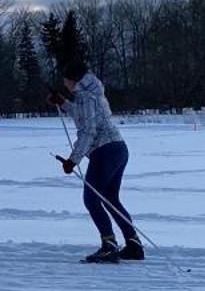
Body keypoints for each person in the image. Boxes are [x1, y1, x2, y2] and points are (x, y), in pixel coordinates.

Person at [51, 59, 143, 264]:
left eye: (66, 80)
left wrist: (72, 160)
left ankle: (109, 246)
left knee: (91, 199)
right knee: (110, 198)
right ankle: (134, 244)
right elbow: (84, 116)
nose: (65, 84)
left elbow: (88, 131)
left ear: (73, 80)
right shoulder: (93, 93)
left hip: (105, 151)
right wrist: (63, 103)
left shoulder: (85, 98)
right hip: (118, 148)